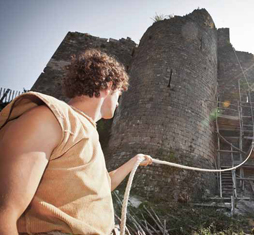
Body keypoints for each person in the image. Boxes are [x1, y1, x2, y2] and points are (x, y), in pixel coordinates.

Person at [0, 49, 152, 234]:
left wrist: (134, 161)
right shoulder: (51, 118)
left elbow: (103, 185)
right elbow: (5, 213)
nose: (118, 103)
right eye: (118, 95)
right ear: (108, 86)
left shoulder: (87, 132)